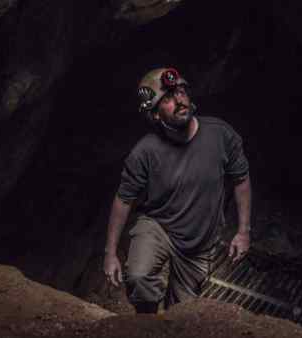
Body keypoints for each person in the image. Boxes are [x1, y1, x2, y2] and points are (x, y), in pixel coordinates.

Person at [103, 67, 251, 314]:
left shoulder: (220, 134)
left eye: (181, 92)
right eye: (168, 99)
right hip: (157, 226)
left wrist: (244, 231)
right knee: (139, 278)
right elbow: (123, 200)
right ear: (155, 115)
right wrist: (110, 253)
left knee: (182, 313)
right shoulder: (145, 152)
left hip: (199, 240)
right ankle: (147, 322)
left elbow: (241, 179)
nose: (179, 100)